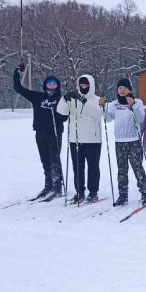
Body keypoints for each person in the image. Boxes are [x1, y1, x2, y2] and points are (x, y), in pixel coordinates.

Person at [12, 62, 67, 200]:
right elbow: (18, 88)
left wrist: (57, 113)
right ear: (45, 85)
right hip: (40, 133)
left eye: (54, 84)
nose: (52, 86)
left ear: (57, 86)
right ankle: (48, 184)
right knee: (45, 160)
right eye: (49, 84)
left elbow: (65, 117)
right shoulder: (37, 97)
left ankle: (56, 186)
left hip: (55, 133)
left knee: (54, 159)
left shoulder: (61, 99)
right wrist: (17, 73)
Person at [100, 78, 146, 206]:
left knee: (137, 167)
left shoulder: (137, 102)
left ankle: (145, 192)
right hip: (119, 141)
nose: (122, 90)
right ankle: (123, 195)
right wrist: (102, 107)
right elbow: (107, 119)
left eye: (125, 88)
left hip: (133, 140)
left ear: (129, 89)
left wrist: (133, 104)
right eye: (120, 88)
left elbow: (140, 118)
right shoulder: (114, 104)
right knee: (122, 170)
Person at [57, 74, 103, 204]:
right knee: (77, 167)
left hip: (93, 140)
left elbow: (98, 114)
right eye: (81, 85)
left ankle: (93, 192)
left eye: (86, 85)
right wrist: (64, 99)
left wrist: (83, 99)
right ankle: (79, 191)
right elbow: (62, 113)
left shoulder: (97, 99)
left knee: (93, 166)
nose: (84, 87)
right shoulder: (73, 99)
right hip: (75, 139)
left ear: (91, 85)